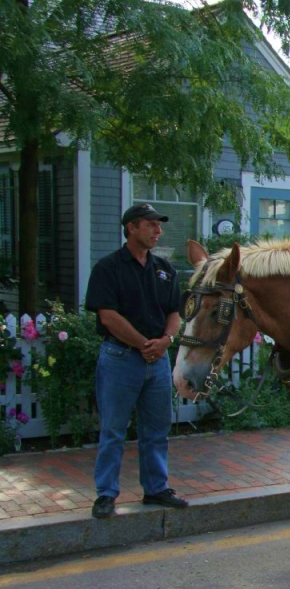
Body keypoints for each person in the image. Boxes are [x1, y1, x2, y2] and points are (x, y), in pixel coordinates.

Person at [85, 203, 188, 518]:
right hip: (120, 358)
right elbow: (108, 315)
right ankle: (106, 494)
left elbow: (175, 312)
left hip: (157, 361)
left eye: (159, 226)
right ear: (131, 227)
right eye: (151, 225)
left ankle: (156, 489)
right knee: (114, 430)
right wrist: (146, 344)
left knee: (156, 429)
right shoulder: (108, 268)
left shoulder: (164, 269)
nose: (158, 231)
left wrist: (167, 341)